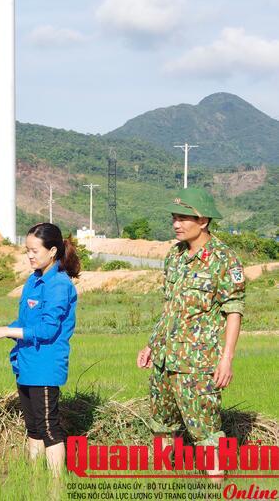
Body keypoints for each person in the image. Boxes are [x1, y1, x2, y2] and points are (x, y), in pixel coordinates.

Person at [136, 187, 245, 480]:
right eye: (174, 217)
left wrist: (227, 359)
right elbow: (169, 308)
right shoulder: (174, 256)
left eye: (184, 218)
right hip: (163, 360)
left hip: (197, 365)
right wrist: (151, 345)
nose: (176, 224)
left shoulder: (224, 259)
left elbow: (234, 311)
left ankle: (215, 486)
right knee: (162, 426)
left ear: (203, 221)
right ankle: (164, 484)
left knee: (207, 433)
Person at [0, 222, 79, 476]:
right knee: (33, 427)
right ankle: (34, 479)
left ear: (53, 251)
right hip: (25, 363)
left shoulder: (59, 284)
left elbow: (46, 330)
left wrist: (5, 331)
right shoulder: (33, 281)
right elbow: (24, 323)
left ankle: (56, 486)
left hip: (45, 366)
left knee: (48, 427)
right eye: (27, 250)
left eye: (35, 250)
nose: (30, 255)